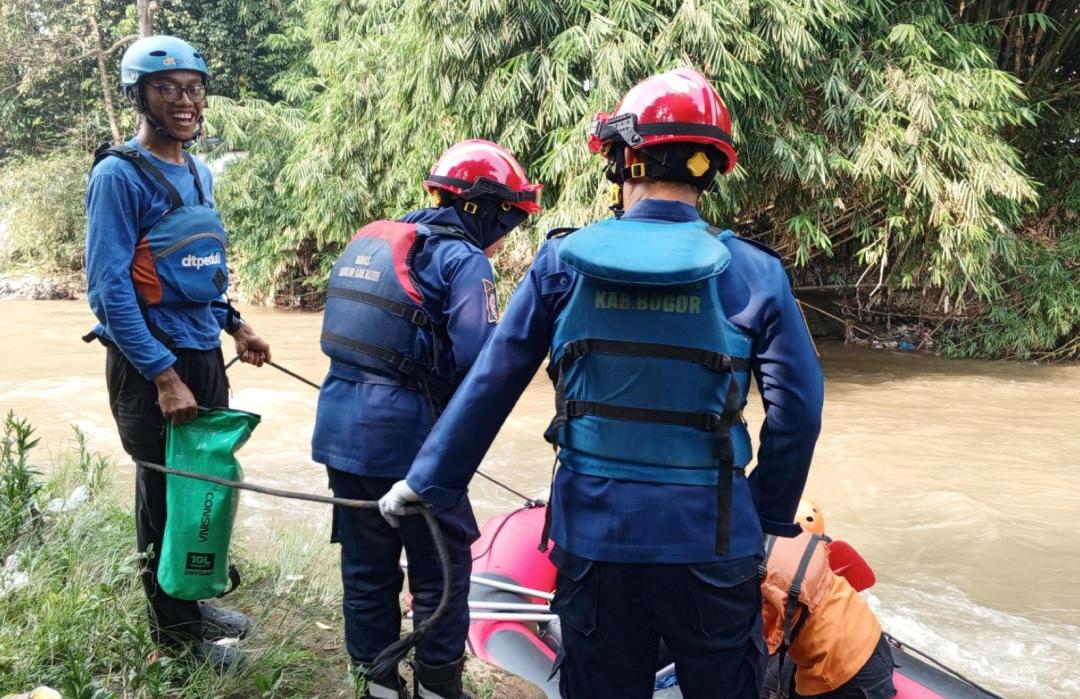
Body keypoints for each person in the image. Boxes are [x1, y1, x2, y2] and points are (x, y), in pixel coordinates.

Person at [380, 68, 824, 699]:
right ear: (712, 167)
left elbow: (492, 382)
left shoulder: (561, 261)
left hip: (593, 541)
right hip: (714, 541)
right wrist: (768, 512)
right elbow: (799, 413)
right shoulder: (755, 273)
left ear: (622, 160)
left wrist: (427, 483)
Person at [312, 139, 542, 699]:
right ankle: (440, 688)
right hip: (411, 447)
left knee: (367, 573)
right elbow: (480, 364)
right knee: (442, 573)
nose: (506, 231)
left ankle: (378, 688)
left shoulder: (373, 242)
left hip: (340, 432)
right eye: (507, 217)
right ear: (480, 207)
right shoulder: (465, 261)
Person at [84, 35, 271, 671]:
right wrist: (163, 376)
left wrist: (237, 325)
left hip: (200, 356)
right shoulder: (119, 175)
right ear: (140, 96)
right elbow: (109, 293)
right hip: (151, 363)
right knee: (161, 492)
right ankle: (178, 640)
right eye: (167, 88)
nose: (184, 100)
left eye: (193, 88)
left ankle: (190, 603)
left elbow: (197, 269)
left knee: (201, 481)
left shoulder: (197, 171)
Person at [761, 499, 897, 699]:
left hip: (850, 675)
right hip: (870, 649)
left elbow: (762, 644)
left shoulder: (767, 578)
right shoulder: (805, 551)